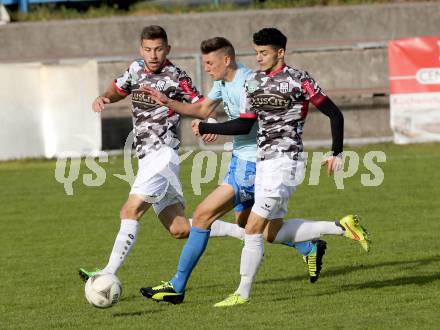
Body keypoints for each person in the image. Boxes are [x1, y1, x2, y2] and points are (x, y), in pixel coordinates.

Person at [140, 32, 370, 307]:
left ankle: (224, 291)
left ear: (280, 53)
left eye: (264, 52)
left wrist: (336, 152)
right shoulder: (254, 82)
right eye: (257, 52)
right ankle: (330, 234)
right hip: (258, 163)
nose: (258, 57)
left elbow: (331, 112)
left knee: (231, 222)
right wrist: (176, 107)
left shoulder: (288, 79)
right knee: (265, 231)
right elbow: (224, 116)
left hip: (277, 162)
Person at [78, 26, 246, 282]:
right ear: (140, 49)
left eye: (158, 49)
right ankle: (245, 233)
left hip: (162, 155)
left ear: (167, 49)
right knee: (179, 229)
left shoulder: (176, 76)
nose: (153, 54)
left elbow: (202, 104)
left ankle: (107, 273)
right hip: (146, 158)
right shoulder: (135, 69)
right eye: (148, 49)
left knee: (129, 211)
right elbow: (117, 88)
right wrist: (104, 98)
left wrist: (210, 122)